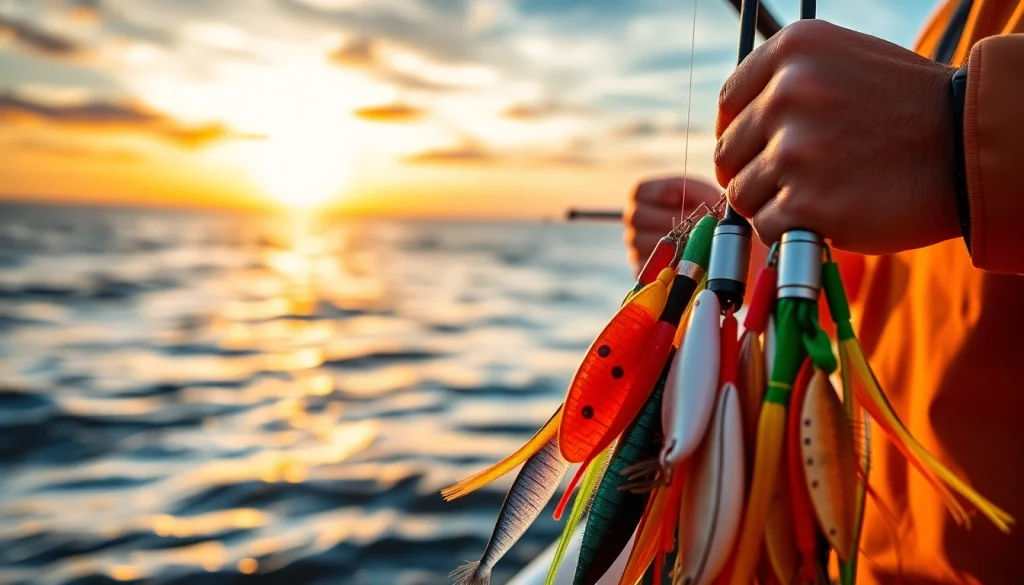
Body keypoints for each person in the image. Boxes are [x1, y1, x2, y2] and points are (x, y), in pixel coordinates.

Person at [624, 1, 1024, 583]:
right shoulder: (950, 24)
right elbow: (915, 297)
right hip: (868, 558)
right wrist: (770, 250)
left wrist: (958, 132)